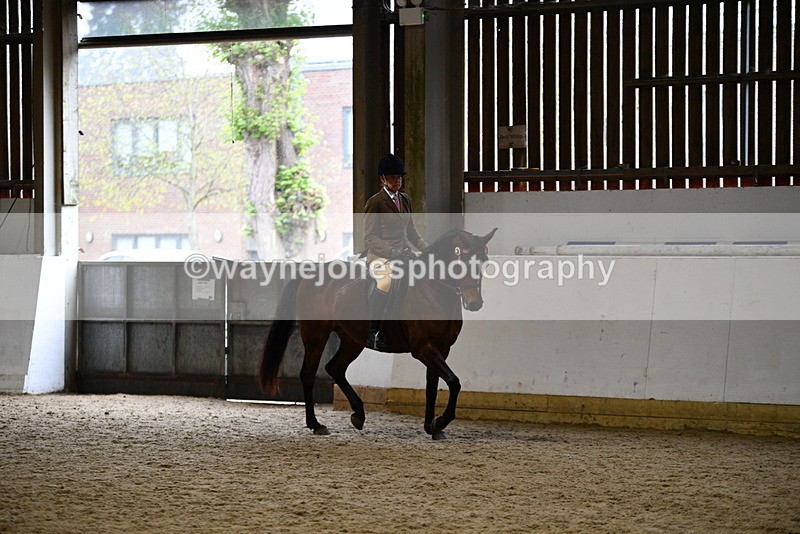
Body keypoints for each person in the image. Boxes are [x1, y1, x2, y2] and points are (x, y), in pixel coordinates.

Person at [363, 153, 428, 350]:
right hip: (380, 256)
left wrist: (427, 250)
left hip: (403, 254)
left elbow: (411, 231)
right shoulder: (375, 202)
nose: (397, 181)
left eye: (399, 177)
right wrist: (391, 252)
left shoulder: (405, 199)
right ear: (383, 179)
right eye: (393, 177)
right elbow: (370, 237)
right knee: (386, 282)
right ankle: (373, 331)